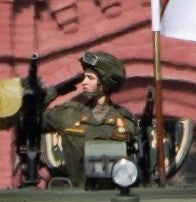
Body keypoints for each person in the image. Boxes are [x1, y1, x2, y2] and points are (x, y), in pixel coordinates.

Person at [42, 51, 139, 187]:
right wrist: (54, 92)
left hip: (117, 196)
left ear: (105, 84)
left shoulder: (127, 121)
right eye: (84, 77)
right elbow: (30, 121)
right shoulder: (68, 114)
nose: (84, 82)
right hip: (77, 197)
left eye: (90, 78)